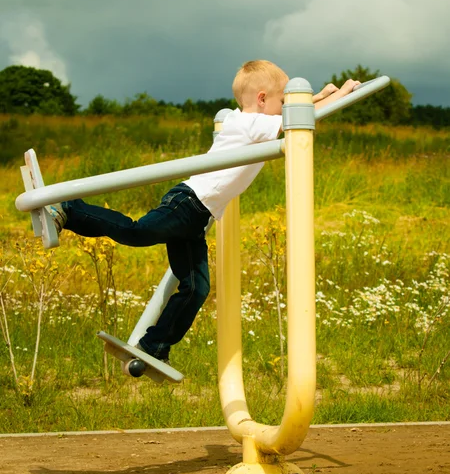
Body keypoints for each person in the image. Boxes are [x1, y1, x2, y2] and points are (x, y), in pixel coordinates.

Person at [47, 60, 359, 365]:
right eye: (283, 100)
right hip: (189, 202)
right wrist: (342, 91)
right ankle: (70, 209)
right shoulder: (250, 122)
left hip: (198, 215)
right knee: (138, 232)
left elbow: (298, 114)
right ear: (262, 99)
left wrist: (319, 96)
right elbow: (300, 120)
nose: (285, 107)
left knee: (196, 289)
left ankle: (153, 344)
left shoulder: (252, 120)